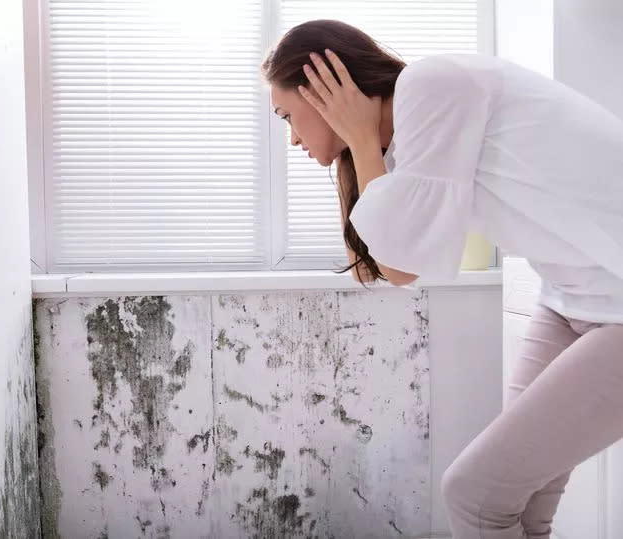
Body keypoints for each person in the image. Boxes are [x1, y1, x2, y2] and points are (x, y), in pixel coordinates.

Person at [261, 19, 623, 539]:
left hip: (614, 301)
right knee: (519, 504)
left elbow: (403, 263)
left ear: (323, 91)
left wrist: (361, 139)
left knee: (473, 495)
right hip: (570, 297)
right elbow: (394, 268)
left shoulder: (432, 86)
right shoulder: (403, 147)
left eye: (287, 116)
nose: (292, 137)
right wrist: (364, 146)